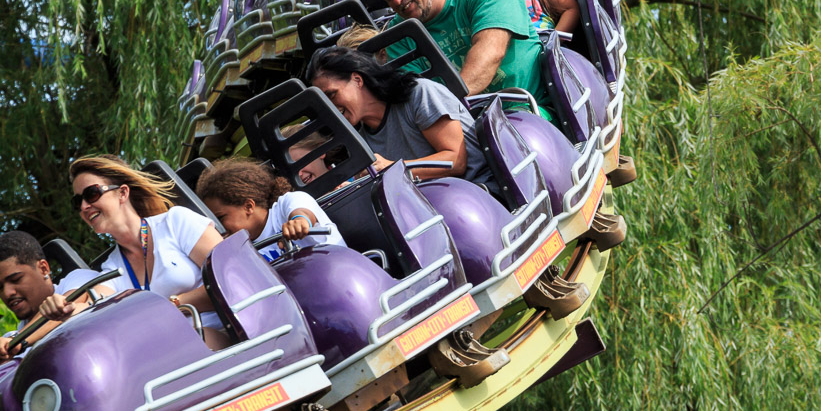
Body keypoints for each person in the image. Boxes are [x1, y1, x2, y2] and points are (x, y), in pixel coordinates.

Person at [40, 155, 228, 349]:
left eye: (92, 194)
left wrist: (172, 305)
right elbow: (93, 309)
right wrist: (67, 310)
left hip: (227, 335)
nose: (84, 206)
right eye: (77, 201)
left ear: (122, 193)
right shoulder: (112, 268)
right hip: (169, 354)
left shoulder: (175, 223)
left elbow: (231, 276)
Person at [367, 0, 552, 120]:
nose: (397, 1)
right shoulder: (399, 35)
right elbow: (416, 100)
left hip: (528, 116)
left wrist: (447, 107)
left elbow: (489, 54)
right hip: (461, 130)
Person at [0, 231, 112, 389]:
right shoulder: (10, 343)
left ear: (43, 268)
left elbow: (67, 304)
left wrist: (17, 342)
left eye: (16, 279)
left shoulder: (78, 278)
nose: (7, 293)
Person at [306, 45, 493, 185]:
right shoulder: (359, 140)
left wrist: (394, 168)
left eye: (331, 94)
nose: (330, 106)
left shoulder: (419, 95)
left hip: (478, 192)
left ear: (357, 80)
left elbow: (456, 160)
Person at [194, 158, 346, 261]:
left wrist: (298, 223)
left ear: (248, 206)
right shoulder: (242, 251)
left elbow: (303, 213)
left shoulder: (286, 204)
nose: (218, 229)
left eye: (220, 218)